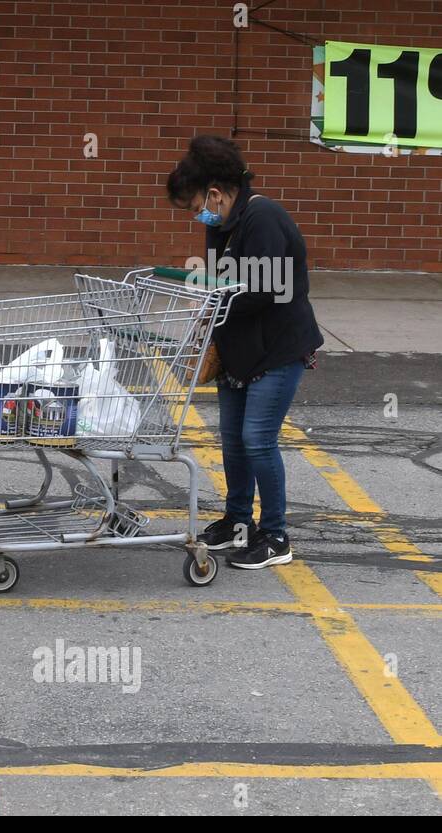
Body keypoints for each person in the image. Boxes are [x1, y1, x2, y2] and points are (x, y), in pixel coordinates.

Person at [166, 135, 324, 569]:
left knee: (257, 441)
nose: (197, 215)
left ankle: (275, 536)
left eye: (196, 204)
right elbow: (222, 284)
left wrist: (213, 300)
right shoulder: (221, 225)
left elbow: (265, 290)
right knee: (233, 442)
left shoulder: (263, 219)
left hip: (277, 349)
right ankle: (238, 521)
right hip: (238, 346)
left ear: (215, 193)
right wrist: (209, 306)